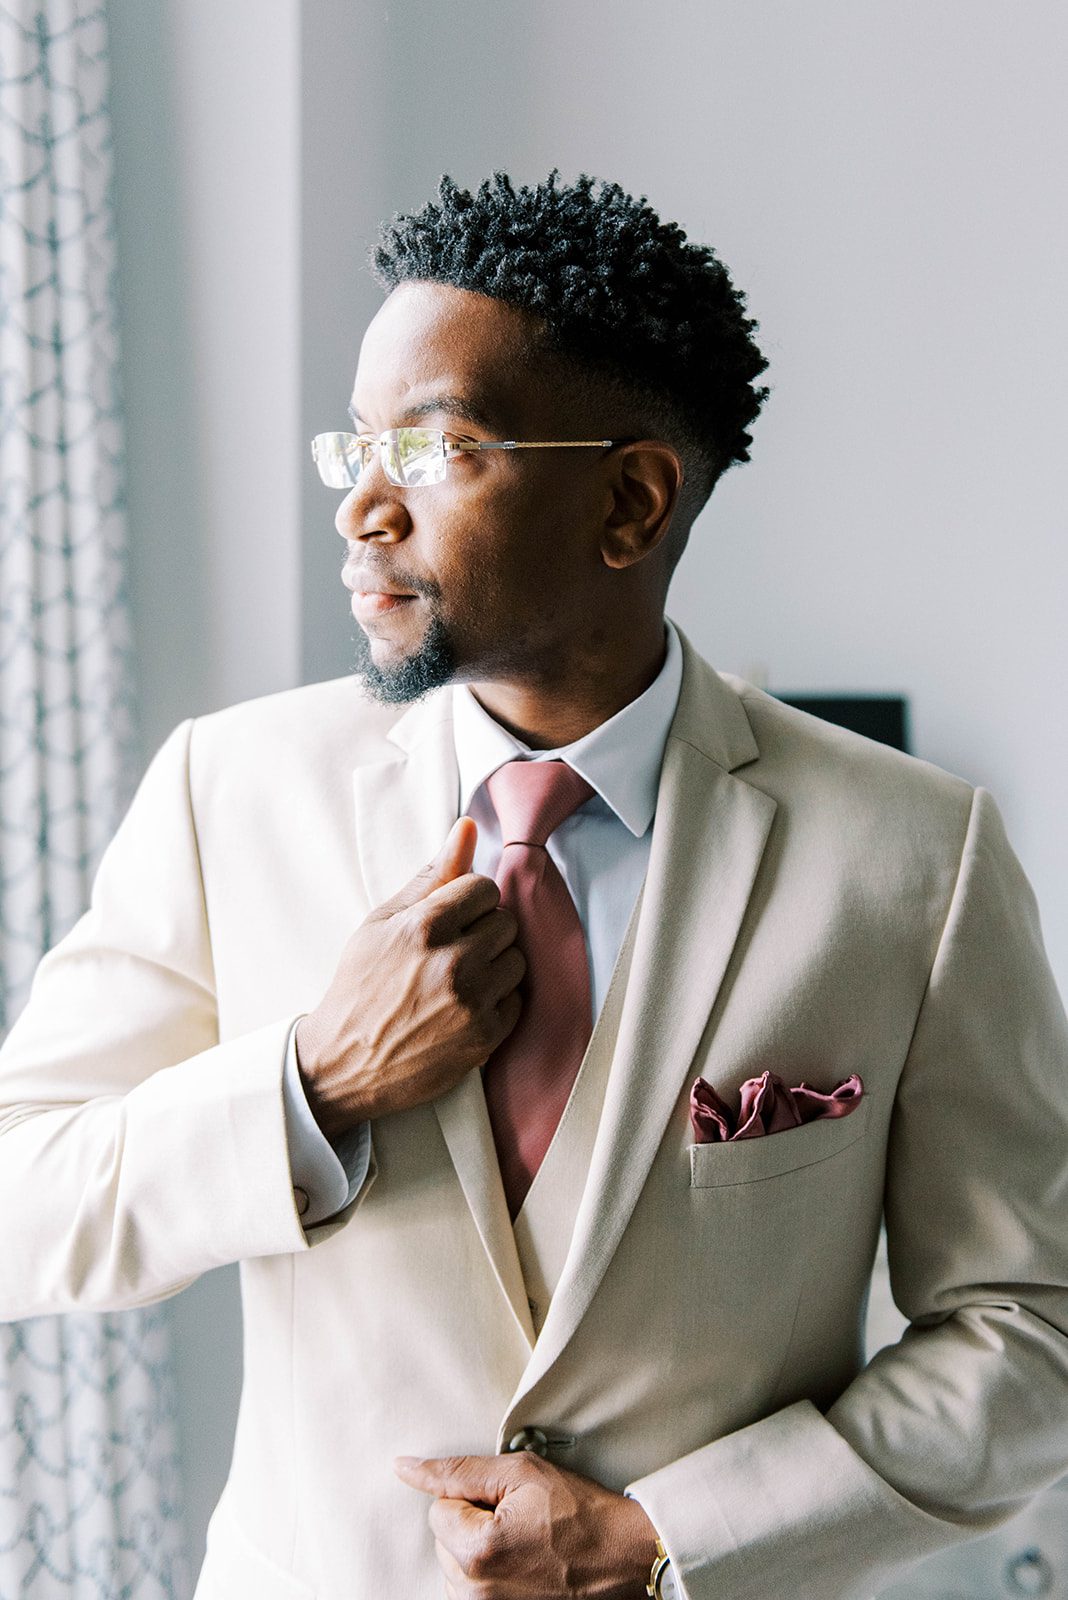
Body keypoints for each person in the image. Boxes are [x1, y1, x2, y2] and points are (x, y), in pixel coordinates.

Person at [1, 170, 1066, 1600]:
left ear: (629, 501)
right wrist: (312, 1084)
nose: (363, 509)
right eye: (353, 448)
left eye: (432, 451)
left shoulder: (913, 860)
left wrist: (671, 1535)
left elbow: (1031, 1329)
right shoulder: (225, 792)